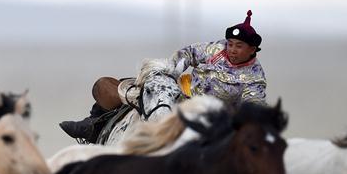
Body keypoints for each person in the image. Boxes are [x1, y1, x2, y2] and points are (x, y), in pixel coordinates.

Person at [60, 10, 267, 142]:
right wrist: (170, 72)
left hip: (209, 116)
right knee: (138, 87)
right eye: (230, 44)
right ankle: (93, 125)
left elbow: (253, 109)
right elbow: (188, 53)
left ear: (252, 49)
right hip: (183, 92)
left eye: (238, 46)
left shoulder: (254, 79)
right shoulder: (216, 49)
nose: (231, 49)